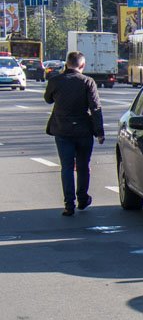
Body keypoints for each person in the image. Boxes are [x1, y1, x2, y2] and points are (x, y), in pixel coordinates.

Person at [44, 51, 103, 217]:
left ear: (66, 64)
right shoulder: (87, 82)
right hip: (84, 131)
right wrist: (99, 132)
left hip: (62, 130)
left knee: (67, 167)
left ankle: (69, 205)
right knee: (83, 166)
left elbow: (48, 99)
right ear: (82, 65)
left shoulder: (55, 81)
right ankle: (82, 198)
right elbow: (95, 108)